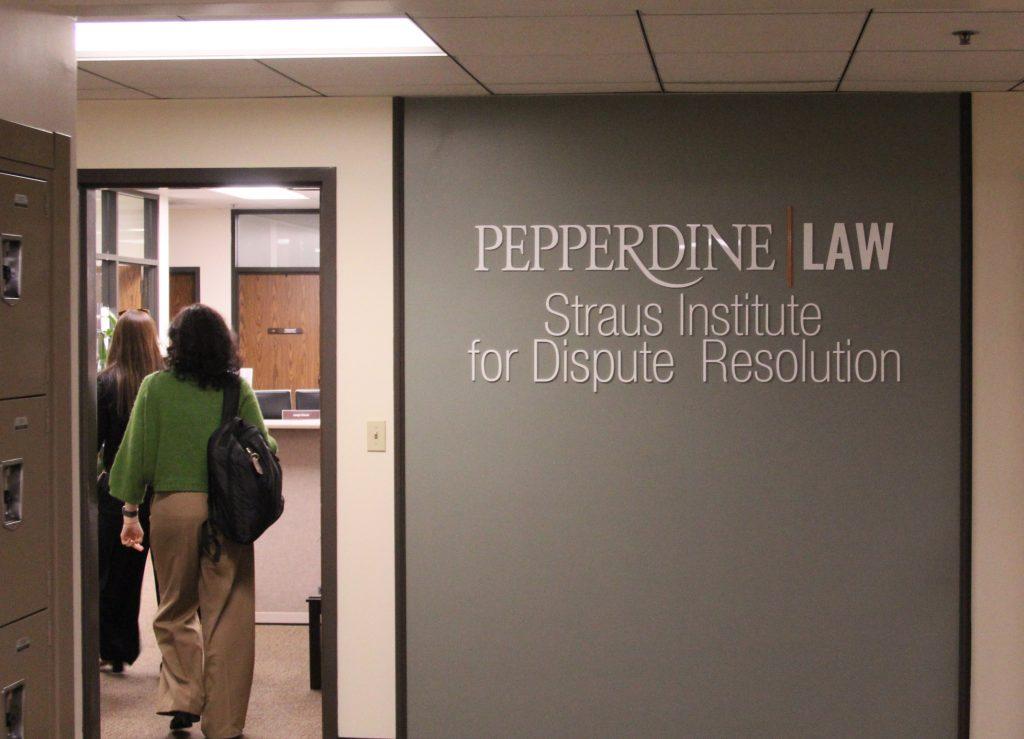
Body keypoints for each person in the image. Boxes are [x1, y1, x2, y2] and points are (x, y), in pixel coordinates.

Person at [109, 304, 277, 738]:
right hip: (226, 511)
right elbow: (265, 444)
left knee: (175, 608)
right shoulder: (235, 389)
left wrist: (131, 511)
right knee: (228, 616)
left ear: (175, 343)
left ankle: (184, 696)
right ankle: (223, 724)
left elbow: (134, 455)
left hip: (172, 509)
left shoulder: (155, 388)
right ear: (225, 344)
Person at [97, 308, 164, 673]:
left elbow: (93, 443)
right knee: (169, 580)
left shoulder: (107, 383)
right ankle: (175, 656)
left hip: (118, 492)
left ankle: (116, 650)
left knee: (117, 579)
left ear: (117, 340)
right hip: (162, 491)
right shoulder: (165, 383)